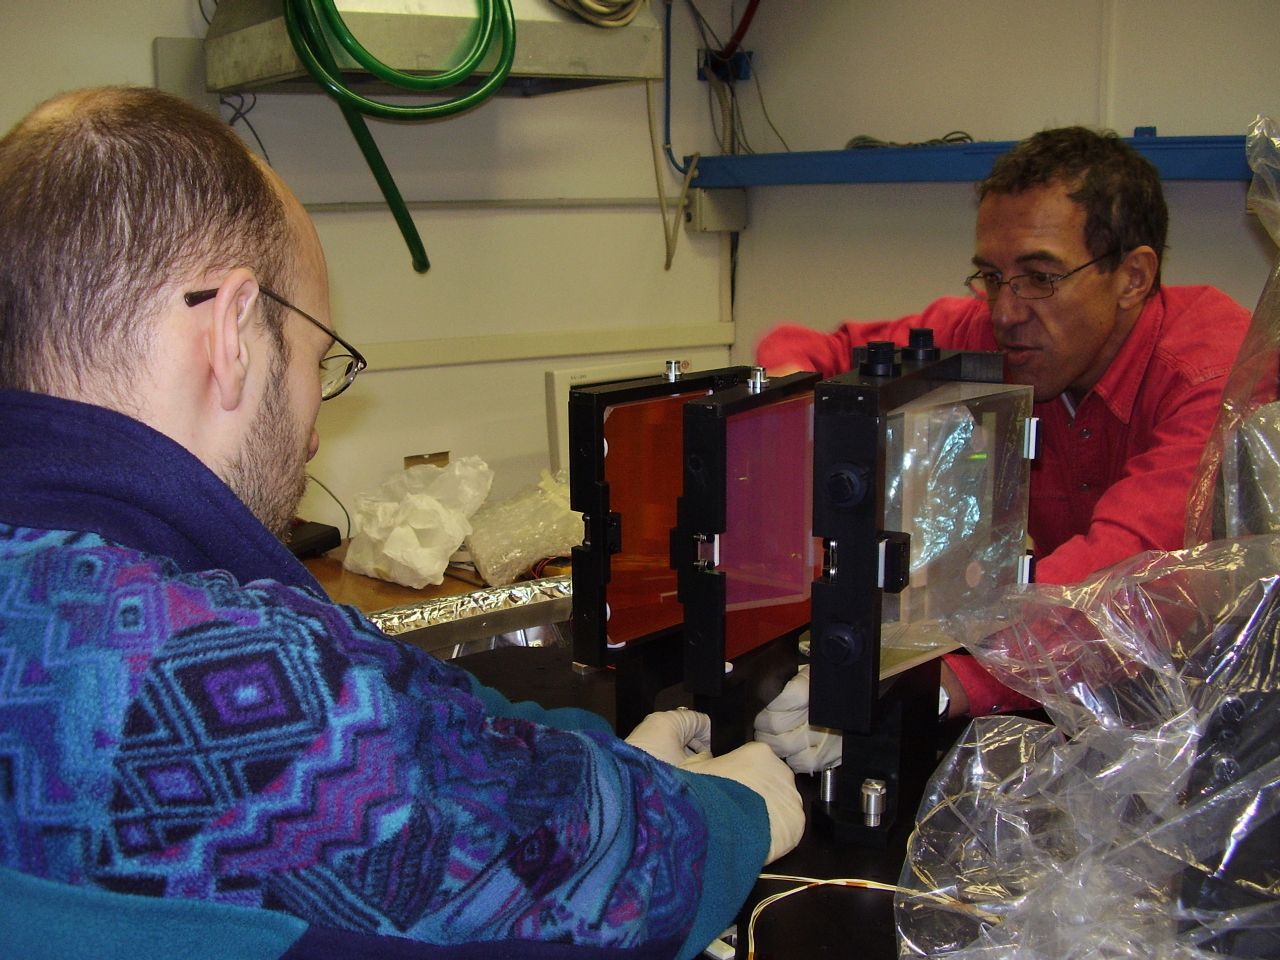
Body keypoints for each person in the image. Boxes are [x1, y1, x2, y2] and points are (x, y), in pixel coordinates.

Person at [0, 86, 801, 960]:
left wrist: (607, 756)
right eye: (316, 361)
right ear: (232, 335)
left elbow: (417, 716)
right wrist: (732, 817)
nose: (313, 430)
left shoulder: (68, 584)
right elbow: (569, 882)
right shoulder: (194, 668)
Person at [754, 126, 1252, 723]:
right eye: (992, 277)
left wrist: (940, 687)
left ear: (1133, 277)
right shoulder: (997, 337)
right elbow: (825, 352)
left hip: (1226, 691)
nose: (1006, 312)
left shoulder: (1217, 372)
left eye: (1041, 277)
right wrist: (789, 404)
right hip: (1078, 674)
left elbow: (1129, 574)